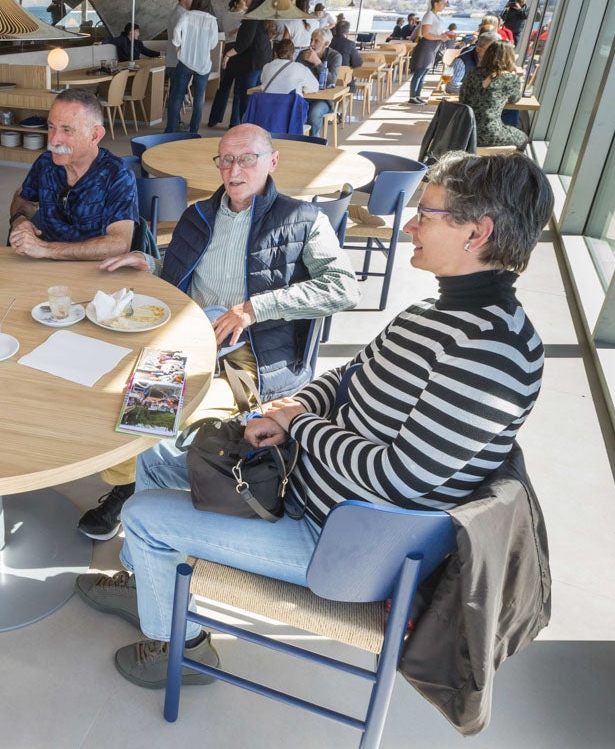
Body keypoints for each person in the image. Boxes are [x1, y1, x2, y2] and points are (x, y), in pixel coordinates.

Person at [77, 150, 554, 688]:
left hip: (341, 544)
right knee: (156, 453)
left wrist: (298, 425)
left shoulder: (491, 354)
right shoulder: (433, 314)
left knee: (142, 513)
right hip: (302, 482)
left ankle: (179, 648)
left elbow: (400, 477)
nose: (411, 224)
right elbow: (351, 375)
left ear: (477, 233)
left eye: (428, 213)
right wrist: (297, 409)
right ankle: (146, 578)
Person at [79, 125, 360, 539]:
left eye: (248, 158)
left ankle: (148, 502)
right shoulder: (198, 215)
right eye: (226, 159)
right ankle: (129, 486)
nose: (235, 168)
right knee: (119, 401)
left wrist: (254, 308)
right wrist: (151, 264)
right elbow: (178, 268)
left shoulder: (303, 220)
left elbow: (344, 288)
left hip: (247, 358)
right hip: (189, 338)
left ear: (272, 161)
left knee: (159, 417)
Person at [8, 89, 137, 260]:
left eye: (67, 130)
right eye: (51, 127)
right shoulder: (46, 164)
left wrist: (46, 249)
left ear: (95, 135)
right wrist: (20, 219)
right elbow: (24, 199)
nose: (53, 140)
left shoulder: (117, 174)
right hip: (46, 270)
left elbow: (119, 244)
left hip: (96, 272)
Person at [164, 0, 220, 135]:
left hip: (185, 61)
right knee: (199, 100)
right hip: (203, 64)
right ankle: (194, 131)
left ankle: (170, 130)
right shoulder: (212, 21)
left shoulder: (187, 16)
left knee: (176, 97)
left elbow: (176, 33)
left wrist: (178, 48)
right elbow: (214, 44)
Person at [218, 0, 273, 126]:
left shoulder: (252, 16)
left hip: (251, 62)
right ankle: (252, 127)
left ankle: (247, 129)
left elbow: (244, 42)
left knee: (246, 97)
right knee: (256, 97)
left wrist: (227, 55)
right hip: (262, 61)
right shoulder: (263, 15)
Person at [460, 40, 526, 149]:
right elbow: (514, 99)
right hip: (490, 133)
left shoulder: (473, 73)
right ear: (510, 57)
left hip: (465, 132)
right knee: (523, 138)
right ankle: (506, 164)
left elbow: (463, 96)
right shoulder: (510, 78)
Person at [205, 0, 250, 127]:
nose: (246, 2)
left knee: (224, 86)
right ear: (237, 2)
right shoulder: (246, 16)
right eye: (244, 0)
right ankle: (234, 122)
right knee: (238, 88)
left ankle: (213, 118)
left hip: (227, 47)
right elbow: (245, 29)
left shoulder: (225, 15)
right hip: (240, 50)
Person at [408, 0, 455, 104]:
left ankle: (417, 95)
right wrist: (441, 37)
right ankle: (412, 97)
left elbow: (434, 32)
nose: (444, 6)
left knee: (424, 72)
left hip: (433, 47)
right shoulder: (429, 15)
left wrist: (443, 35)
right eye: (443, 3)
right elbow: (425, 34)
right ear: (435, 3)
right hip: (427, 46)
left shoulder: (436, 16)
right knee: (419, 72)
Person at [163, 0, 197, 87]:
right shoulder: (178, 15)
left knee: (178, 96)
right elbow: (182, 39)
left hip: (179, 62)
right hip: (176, 63)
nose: (195, 0)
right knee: (176, 97)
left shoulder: (184, 14)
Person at [446, 29, 497, 95]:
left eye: (497, 50)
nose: (495, 53)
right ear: (478, 49)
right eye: (490, 50)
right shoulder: (463, 61)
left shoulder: (499, 61)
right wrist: (477, 90)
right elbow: (451, 86)